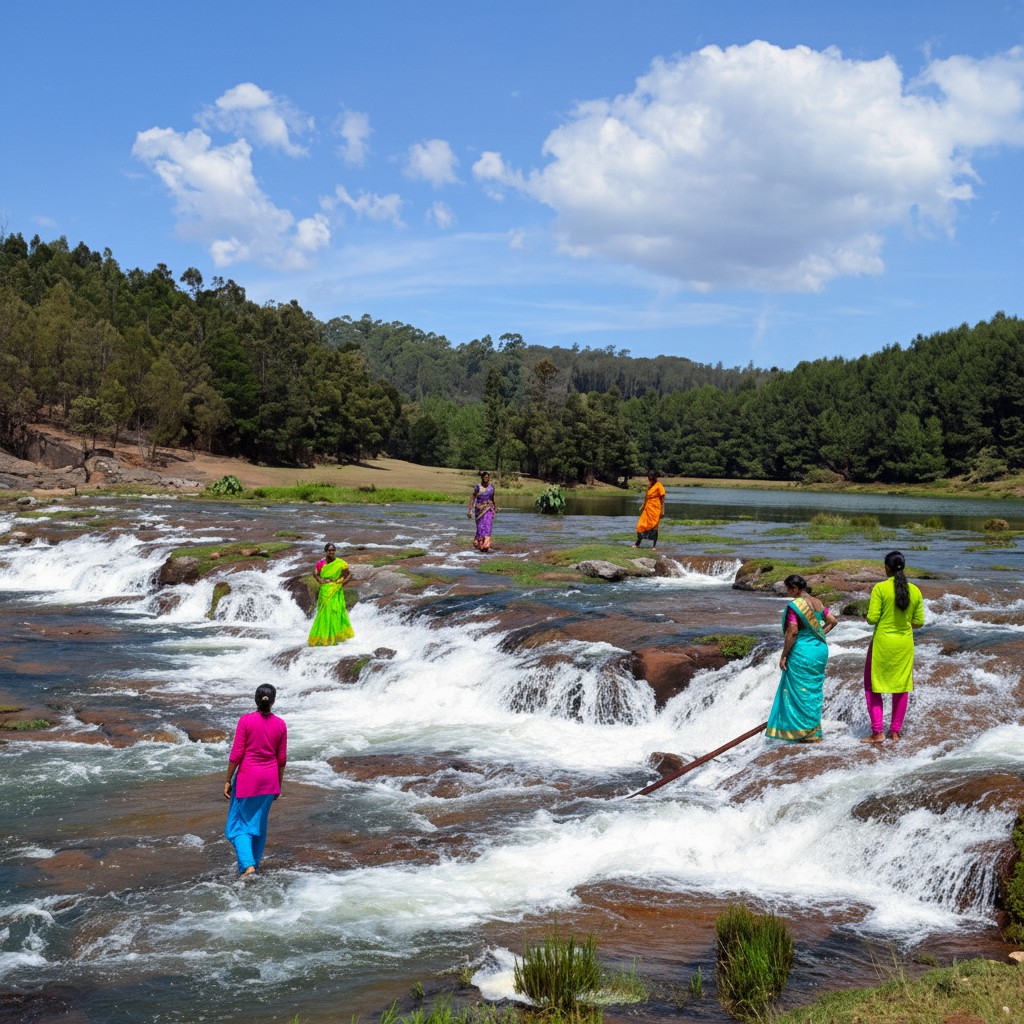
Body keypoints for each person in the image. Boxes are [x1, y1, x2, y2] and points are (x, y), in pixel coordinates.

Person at [223, 683, 287, 876]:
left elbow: (237, 754)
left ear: (256, 700)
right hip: (269, 781)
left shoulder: (246, 721)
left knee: (236, 827)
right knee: (258, 825)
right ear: (273, 701)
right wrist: (278, 785)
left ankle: (248, 865)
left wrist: (227, 779)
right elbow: (281, 759)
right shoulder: (280, 724)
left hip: (247, 780)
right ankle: (253, 868)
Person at [765, 574, 838, 742]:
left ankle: (801, 731)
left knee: (799, 690)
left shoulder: (794, 606)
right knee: (813, 690)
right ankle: (813, 731)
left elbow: (793, 631)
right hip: (819, 650)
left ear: (795, 588)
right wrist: (820, 634)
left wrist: (783, 655)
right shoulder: (817, 602)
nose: (788, 592)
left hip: (802, 651)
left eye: (789, 589)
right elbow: (833, 621)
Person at [861, 550, 925, 743]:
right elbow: (919, 622)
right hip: (904, 645)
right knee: (901, 687)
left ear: (886, 568)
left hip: (882, 644)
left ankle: (877, 732)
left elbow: (872, 619)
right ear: (903, 567)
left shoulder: (880, 588)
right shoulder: (915, 590)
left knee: (873, 687)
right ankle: (895, 731)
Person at [307, 542, 354, 646]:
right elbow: (315, 573)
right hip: (325, 591)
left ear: (335, 551)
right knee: (324, 613)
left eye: (333, 550)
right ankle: (324, 637)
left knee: (335, 612)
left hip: (336, 590)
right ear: (326, 551)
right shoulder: (321, 563)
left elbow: (349, 574)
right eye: (329, 550)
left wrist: (342, 582)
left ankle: (335, 637)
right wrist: (320, 580)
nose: (331, 552)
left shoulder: (340, 563)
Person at [633, 471, 665, 548]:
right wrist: (643, 506)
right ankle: (638, 543)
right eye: (648, 478)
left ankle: (654, 546)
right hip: (647, 509)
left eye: (650, 478)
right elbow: (646, 498)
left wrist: (662, 510)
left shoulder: (659, 485)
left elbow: (663, 498)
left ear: (654, 477)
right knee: (640, 525)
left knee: (654, 527)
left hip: (655, 509)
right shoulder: (649, 486)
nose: (649, 479)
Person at [467, 471, 497, 552]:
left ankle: (486, 545)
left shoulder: (491, 487)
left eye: (487, 477)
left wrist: (495, 507)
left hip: (489, 508)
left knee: (488, 526)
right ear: (482, 478)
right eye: (485, 477)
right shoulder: (478, 487)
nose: (486, 479)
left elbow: (492, 499)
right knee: (480, 527)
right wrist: (470, 509)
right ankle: (479, 543)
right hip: (479, 510)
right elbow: (473, 498)